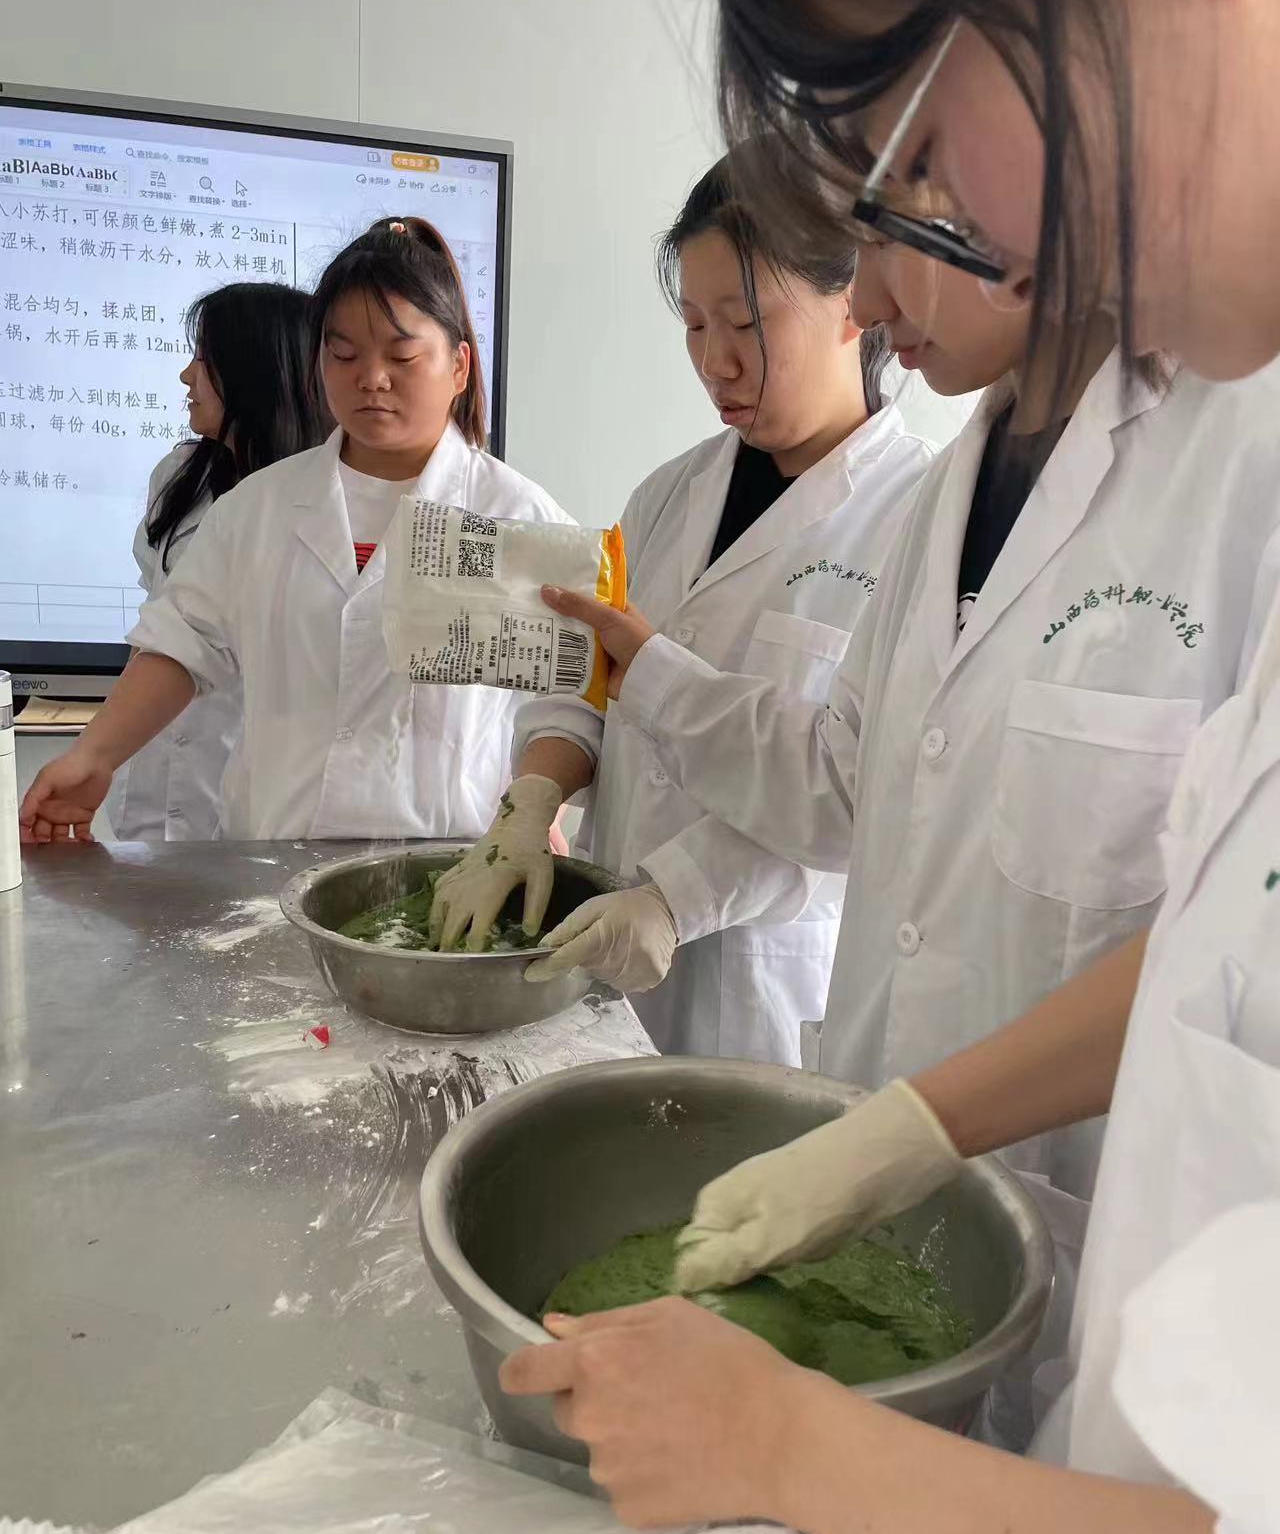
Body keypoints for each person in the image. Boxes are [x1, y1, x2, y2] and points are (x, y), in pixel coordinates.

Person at [502, 0, 1280, 1534]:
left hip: (1095, 1389)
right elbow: (872, 792)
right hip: (1039, 1437)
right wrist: (903, 1125)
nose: (870, 285)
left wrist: (798, 1436)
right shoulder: (944, 498)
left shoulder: (1242, 461)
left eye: (911, 163)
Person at [428, 154, 933, 1065]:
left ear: (853, 300)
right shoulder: (669, 495)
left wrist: (675, 898)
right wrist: (531, 799)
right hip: (606, 966)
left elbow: (858, 799)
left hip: (763, 997)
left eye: (746, 323)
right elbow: (589, 679)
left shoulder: (915, 519)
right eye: (695, 324)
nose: (714, 361)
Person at [20, 218, 573, 843]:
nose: (372, 378)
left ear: (459, 365)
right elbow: (180, 644)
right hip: (270, 862)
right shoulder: (258, 508)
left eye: (401, 356)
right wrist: (93, 757)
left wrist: (538, 809)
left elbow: (568, 703)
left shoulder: (520, 517)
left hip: (448, 864)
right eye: (344, 354)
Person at [108, 282, 329, 841]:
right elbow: (161, 622)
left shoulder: (322, 501)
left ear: (255, 372)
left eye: (204, 359)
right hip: (150, 776)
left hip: (244, 801)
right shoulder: (180, 475)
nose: (187, 376)